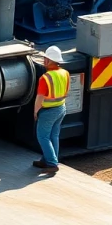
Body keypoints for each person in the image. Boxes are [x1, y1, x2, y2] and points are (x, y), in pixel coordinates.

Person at [33, 46, 69, 175]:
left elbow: (40, 98)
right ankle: (47, 160)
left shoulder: (46, 78)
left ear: (48, 60)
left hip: (48, 111)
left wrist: (35, 111)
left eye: (45, 58)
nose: (43, 60)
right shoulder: (65, 73)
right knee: (54, 136)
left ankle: (52, 164)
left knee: (42, 137)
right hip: (61, 108)